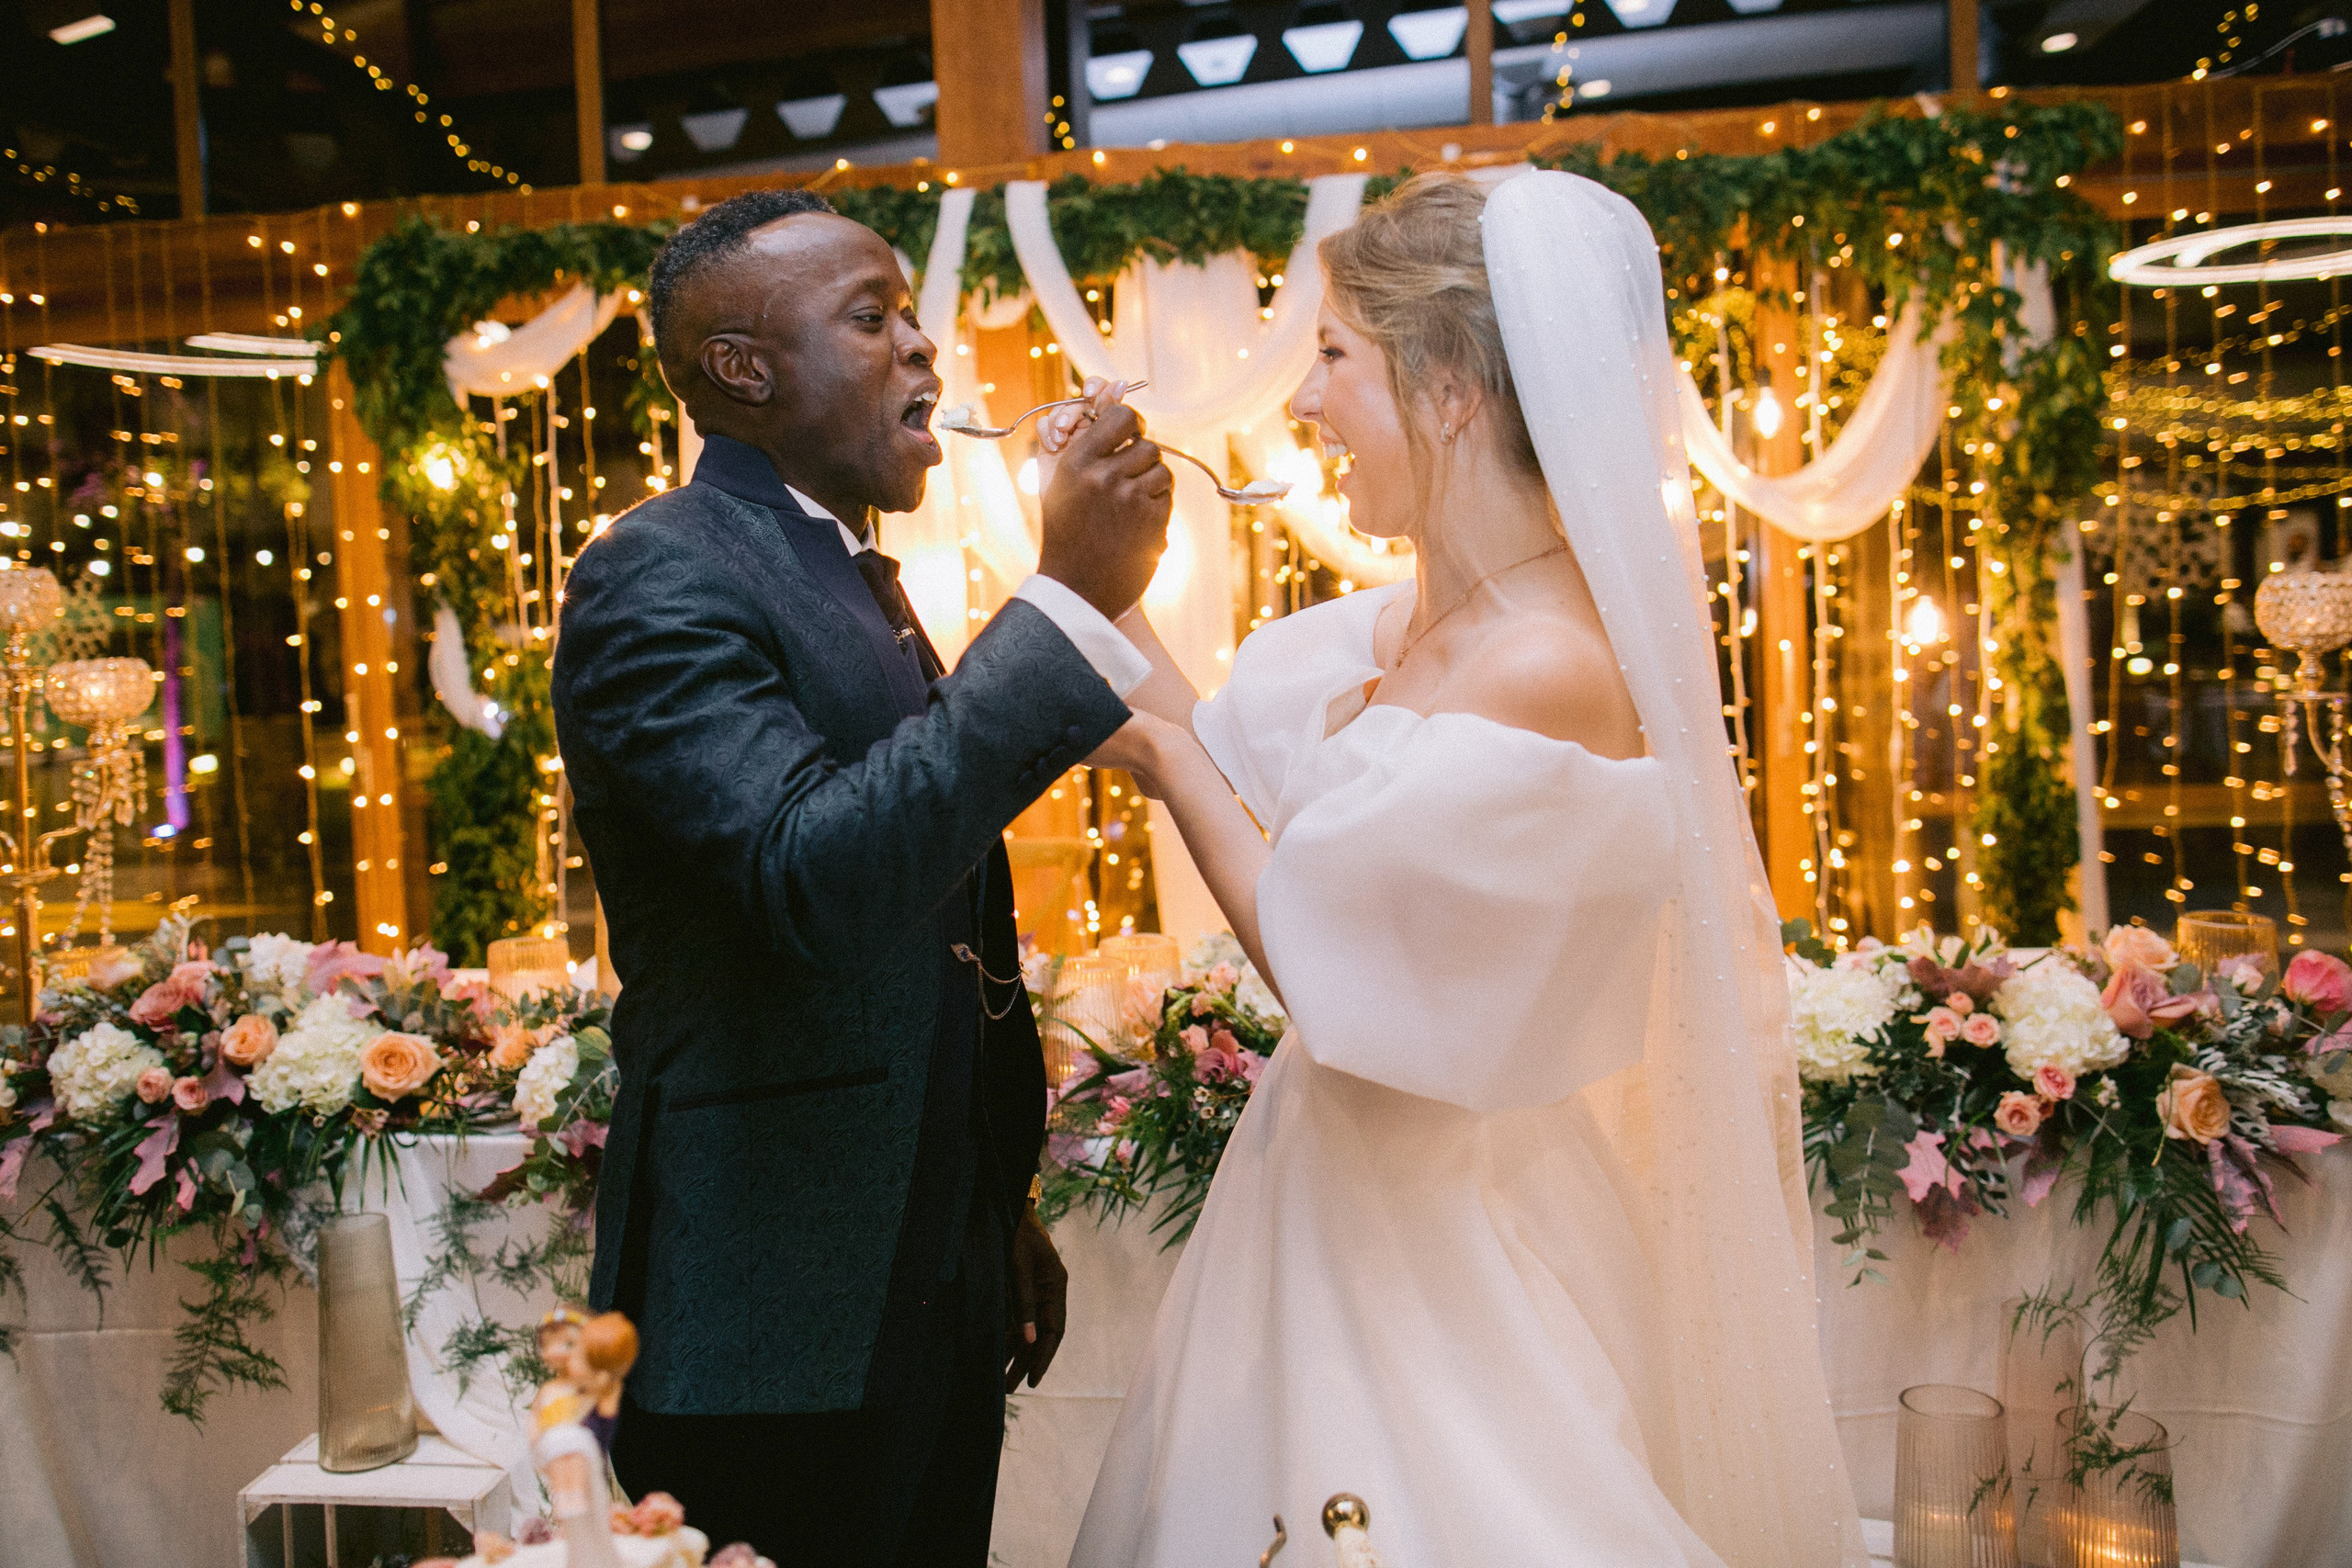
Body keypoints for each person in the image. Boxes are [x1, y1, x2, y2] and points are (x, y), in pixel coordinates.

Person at [1061, 172, 1870, 1566]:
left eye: (1330, 358)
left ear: (1447, 390)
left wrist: (1171, 774)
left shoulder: (1546, 664)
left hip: (1445, 1234)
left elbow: (1330, 967)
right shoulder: (1406, 628)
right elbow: (1233, 754)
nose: (1303, 406)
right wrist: (1095, 564)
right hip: (1319, 1189)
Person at [552, 187, 1174, 1565]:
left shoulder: (853, 574)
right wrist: (1064, 594)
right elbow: (813, 877)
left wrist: (987, 1203)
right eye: (871, 316)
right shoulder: (657, 574)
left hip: (927, 1263)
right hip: (778, 1298)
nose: (923, 350)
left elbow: (940, 904)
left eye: (913, 313)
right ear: (742, 369)